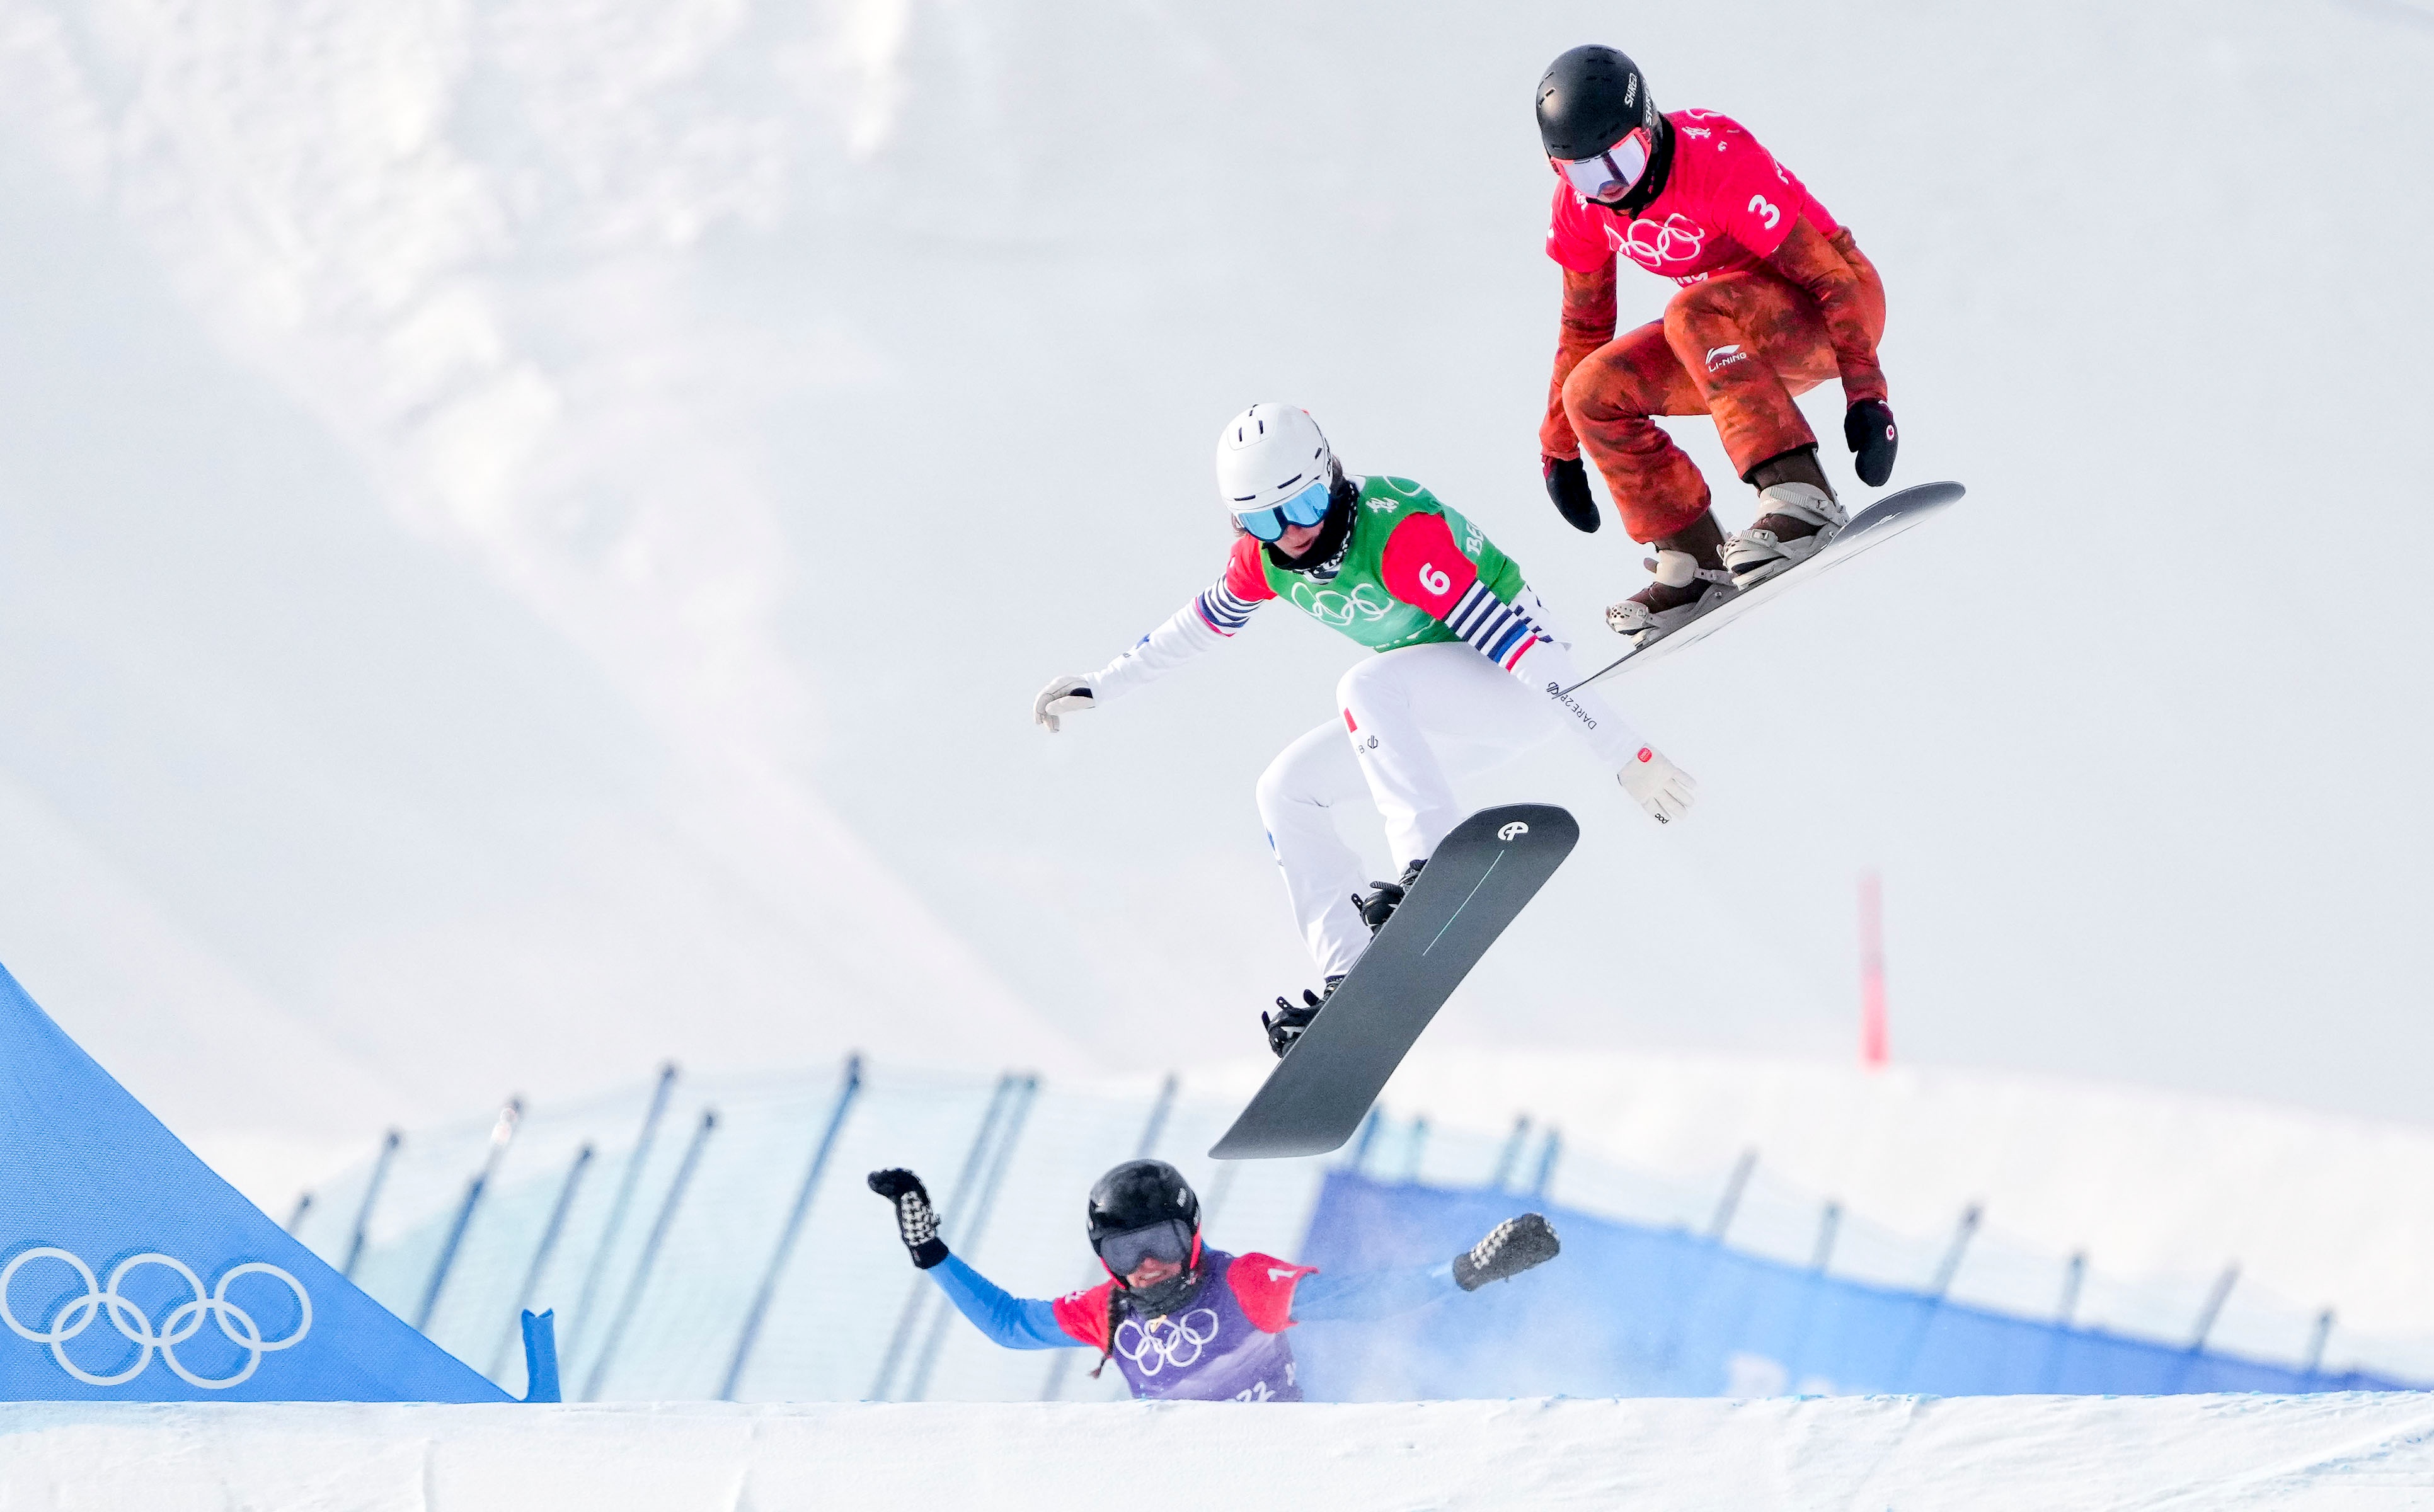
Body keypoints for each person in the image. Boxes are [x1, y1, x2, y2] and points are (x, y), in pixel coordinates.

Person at [1033, 402, 1696, 1053]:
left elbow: (1521, 648)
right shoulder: (1264, 560)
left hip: (1515, 685)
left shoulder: (1397, 536)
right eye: (1264, 519)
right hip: (1434, 720)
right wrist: (1104, 683)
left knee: (1364, 685)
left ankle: (1430, 864)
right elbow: (1198, 625)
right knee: (1285, 790)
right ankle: (1348, 974)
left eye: (1303, 506)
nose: (1291, 532)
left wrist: (1624, 752)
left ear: (1330, 478)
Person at [1532, 44, 1899, 646]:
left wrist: (1867, 395)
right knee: (1591, 390)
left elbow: (1829, 278)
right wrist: (1558, 449)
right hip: (1722, 342)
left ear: (1648, 129)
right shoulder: (1581, 208)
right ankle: (1693, 561)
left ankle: (1801, 496)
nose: (1611, 188)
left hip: (1828, 311)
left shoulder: (1715, 160)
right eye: (1585, 174)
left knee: (1690, 310)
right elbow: (1583, 326)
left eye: (1622, 160)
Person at [866, 1159, 1559, 1402]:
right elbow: (1011, 1325)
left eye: (1162, 1243)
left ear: (1192, 1233)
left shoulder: (1243, 1282)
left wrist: (1461, 1273)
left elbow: (1359, 1299)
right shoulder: (1109, 1311)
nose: (1147, 1265)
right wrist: (931, 1253)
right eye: (1126, 1251)